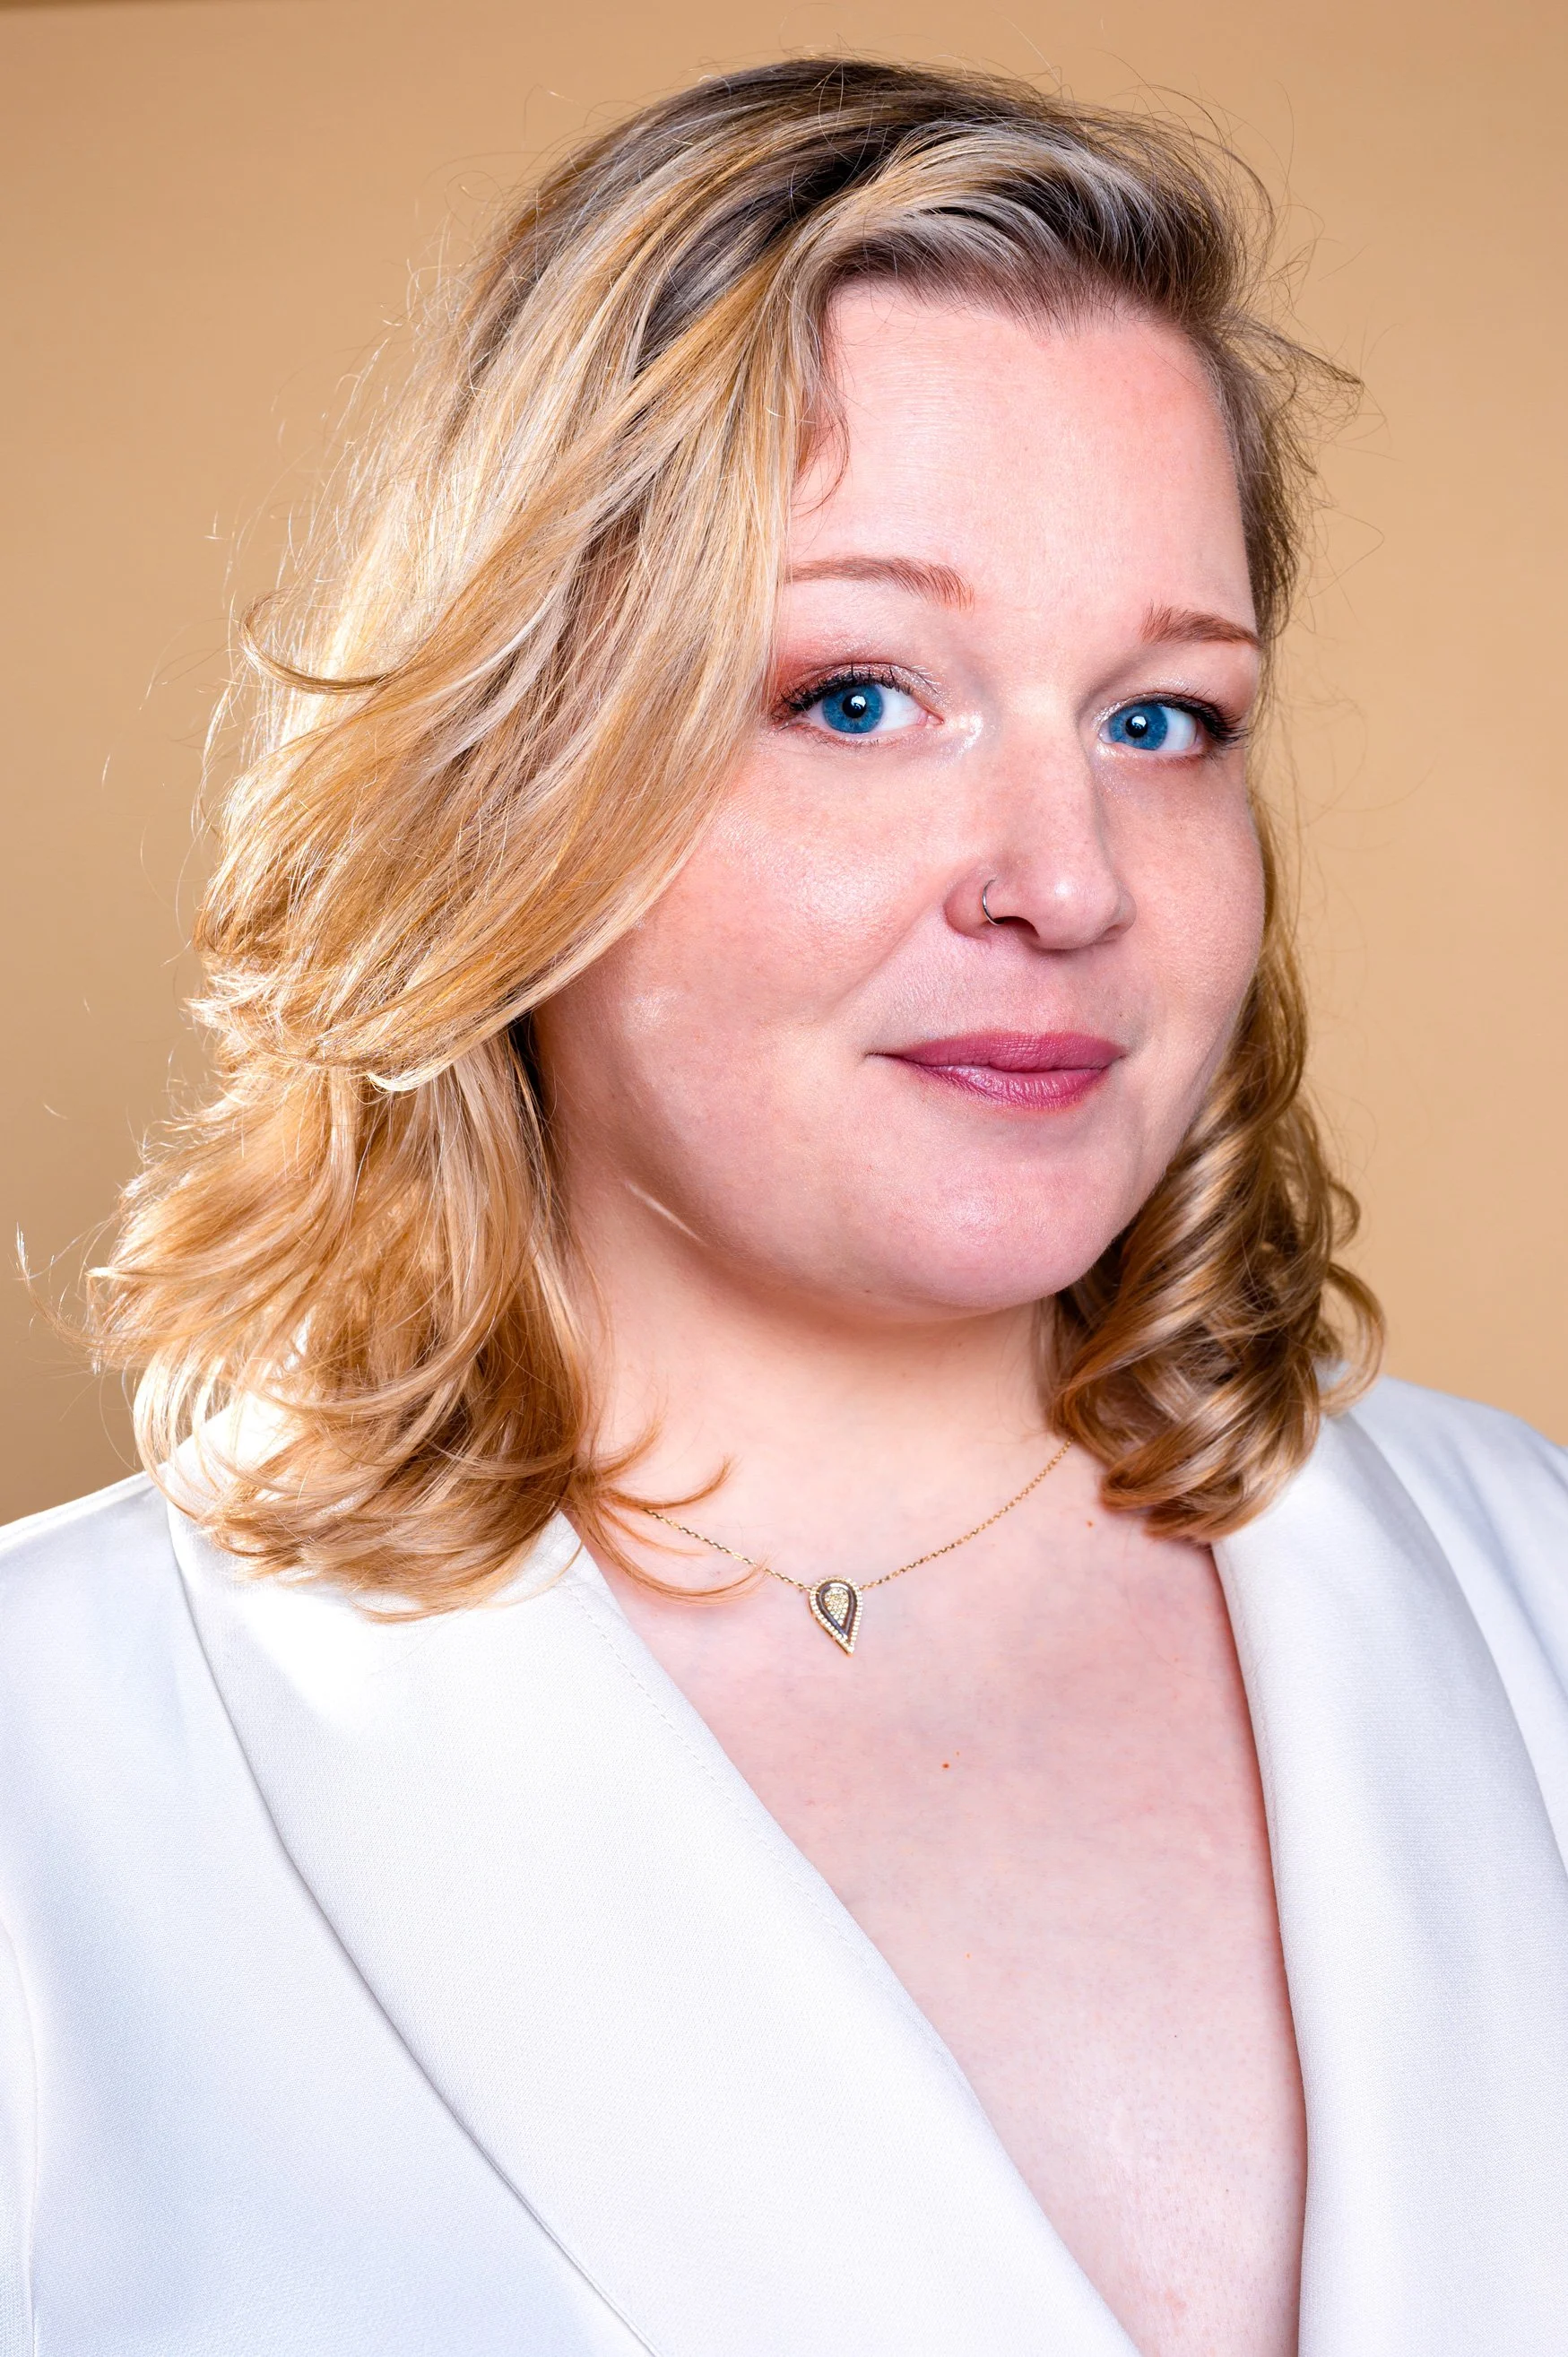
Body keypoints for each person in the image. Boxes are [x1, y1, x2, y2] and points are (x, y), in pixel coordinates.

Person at [2, 55, 1564, 2357]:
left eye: (1161, 721)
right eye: (855, 695)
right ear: (515, 773)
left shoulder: (1527, 1587)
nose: (1064, 884)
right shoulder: (55, 1765)